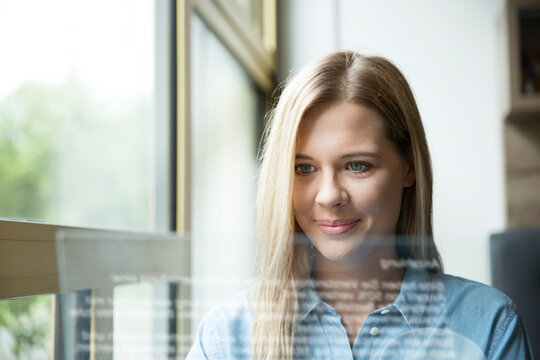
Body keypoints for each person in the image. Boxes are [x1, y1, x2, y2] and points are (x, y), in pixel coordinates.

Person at [186, 51, 533, 359]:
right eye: (304, 169)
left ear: (409, 166)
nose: (328, 195)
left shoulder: (488, 328)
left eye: (357, 166)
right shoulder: (226, 339)